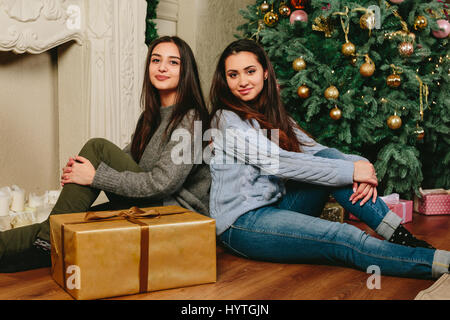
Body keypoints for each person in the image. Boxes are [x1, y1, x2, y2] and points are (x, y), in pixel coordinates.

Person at [208, 38, 449, 280]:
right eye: (233, 75)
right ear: (225, 80)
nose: (242, 82)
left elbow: (317, 150)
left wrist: (361, 165)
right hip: (241, 224)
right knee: (343, 237)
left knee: (331, 157)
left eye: (250, 71)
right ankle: (438, 262)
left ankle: (401, 237)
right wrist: (351, 171)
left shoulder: (273, 115)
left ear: (265, 73)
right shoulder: (225, 119)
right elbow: (279, 161)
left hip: (278, 207)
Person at [0, 36, 211, 272]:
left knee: (96, 148)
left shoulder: (192, 120)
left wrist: (93, 176)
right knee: (69, 225)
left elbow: (162, 183)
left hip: (175, 214)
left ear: (186, 71)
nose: (162, 67)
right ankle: (46, 242)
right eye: (156, 60)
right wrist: (81, 171)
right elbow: (125, 159)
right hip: (149, 206)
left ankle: (49, 240)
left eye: (173, 62)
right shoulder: (150, 117)